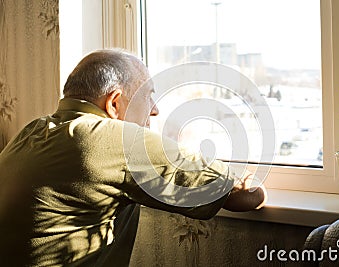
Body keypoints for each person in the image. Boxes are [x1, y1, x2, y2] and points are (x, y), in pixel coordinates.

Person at [0, 49, 267, 266]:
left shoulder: (32, 130)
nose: (155, 111)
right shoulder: (110, 140)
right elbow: (241, 195)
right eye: (148, 96)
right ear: (114, 103)